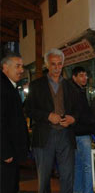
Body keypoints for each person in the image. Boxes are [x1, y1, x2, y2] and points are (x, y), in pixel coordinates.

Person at [25, 48, 78, 193]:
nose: (57, 68)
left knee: (68, 176)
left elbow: (79, 111)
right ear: (47, 65)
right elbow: (28, 109)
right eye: (53, 64)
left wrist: (72, 118)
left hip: (66, 136)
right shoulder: (36, 85)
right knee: (44, 178)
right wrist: (48, 115)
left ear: (63, 64)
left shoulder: (70, 86)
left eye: (59, 64)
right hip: (44, 136)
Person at [1, 52, 29, 193]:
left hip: (11, 152)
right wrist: (5, 152)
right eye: (17, 66)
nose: (21, 70)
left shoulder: (10, 86)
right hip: (6, 154)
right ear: (5, 67)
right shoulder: (2, 86)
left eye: (22, 66)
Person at [71, 66, 95, 193]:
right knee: (87, 166)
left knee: (79, 167)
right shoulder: (75, 92)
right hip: (81, 134)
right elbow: (81, 114)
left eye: (85, 75)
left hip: (76, 134)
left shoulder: (81, 91)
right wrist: (91, 124)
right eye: (81, 75)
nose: (84, 78)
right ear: (74, 77)